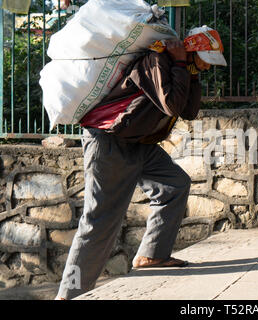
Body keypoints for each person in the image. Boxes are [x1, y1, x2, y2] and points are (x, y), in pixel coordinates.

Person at [56, 25, 226, 300]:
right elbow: (171, 104)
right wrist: (182, 63)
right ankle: (68, 293)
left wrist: (191, 73)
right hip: (109, 141)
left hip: (139, 143)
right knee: (99, 220)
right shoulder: (155, 60)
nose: (208, 68)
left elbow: (190, 111)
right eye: (206, 61)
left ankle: (152, 255)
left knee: (175, 184)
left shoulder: (184, 67)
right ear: (192, 51)